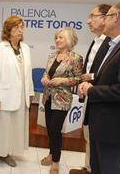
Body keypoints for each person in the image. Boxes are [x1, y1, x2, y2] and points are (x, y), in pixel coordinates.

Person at [78, 1, 120, 174]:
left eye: (107, 16)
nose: (103, 21)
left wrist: (91, 90)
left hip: (112, 124)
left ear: (116, 18)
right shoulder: (113, 44)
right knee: (98, 167)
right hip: (100, 120)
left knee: (109, 168)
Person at [69, 4, 111, 174]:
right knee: (88, 135)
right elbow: (91, 69)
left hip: (102, 100)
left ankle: (94, 169)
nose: (88, 21)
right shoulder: (96, 41)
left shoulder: (112, 43)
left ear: (105, 18)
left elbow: (108, 72)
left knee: (98, 139)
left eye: (93, 16)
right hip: (90, 97)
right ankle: (88, 168)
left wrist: (91, 77)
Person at [0, 15, 34, 168]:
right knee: (1, 126)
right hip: (4, 95)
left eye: (22, 27)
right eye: (16, 27)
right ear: (8, 30)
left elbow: (28, 74)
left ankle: (7, 153)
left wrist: (30, 93)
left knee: (14, 127)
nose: (20, 30)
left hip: (21, 96)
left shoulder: (26, 48)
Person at [40, 27, 83, 174]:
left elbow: (78, 78)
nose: (57, 40)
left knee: (55, 130)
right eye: (56, 37)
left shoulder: (76, 58)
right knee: (50, 130)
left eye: (61, 38)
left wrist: (62, 80)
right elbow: (46, 72)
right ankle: (51, 154)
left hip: (62, 100)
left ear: (69, 40)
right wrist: (44, 78)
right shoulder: (52, 55)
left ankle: (56, 162)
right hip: (48, 97)